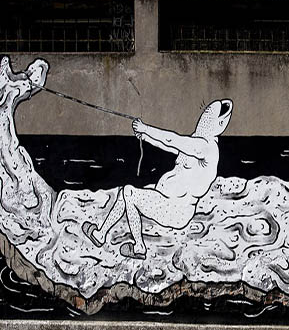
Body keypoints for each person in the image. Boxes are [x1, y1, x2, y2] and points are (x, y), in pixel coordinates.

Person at [82, 99, 233, 259]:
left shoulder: (206, 148)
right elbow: (171, 146)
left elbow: (172, 140)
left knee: (129, 193)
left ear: (219, 124)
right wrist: (146, 137)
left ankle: (139, 248)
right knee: (124, 195)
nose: (203, 119)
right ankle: (100, 235)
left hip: (175, 210)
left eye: (208, 116)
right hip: (168, 202)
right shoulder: (197, 144)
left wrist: (146, 128)